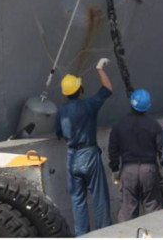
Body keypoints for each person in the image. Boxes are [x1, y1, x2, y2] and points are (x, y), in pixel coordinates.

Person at [55, 58, 114, 236]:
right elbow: (107, 90)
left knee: (77, 201)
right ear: (80, 90)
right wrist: (99, 69)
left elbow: (58, 133)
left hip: (72, 157)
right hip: (89, 154)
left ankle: (82, 236)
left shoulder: (61, 112)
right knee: (100, 197)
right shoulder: (89, 105)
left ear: (66, 94)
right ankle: (104, 234)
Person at [108, 88, 163, 222]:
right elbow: (162, 149)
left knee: (127, 211)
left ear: (131, 103)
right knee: (153, 209)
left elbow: (113, 150)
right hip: (149, 170)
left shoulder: (119, 125)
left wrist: (115, 169)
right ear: (147, 106)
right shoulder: (154, 125)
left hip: (128, 171)